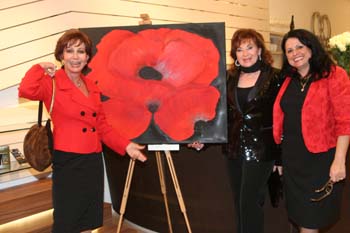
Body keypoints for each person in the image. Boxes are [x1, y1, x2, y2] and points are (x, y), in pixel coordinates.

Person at [18, 29, 147, 233]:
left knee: (88, 220)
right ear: (61, 55)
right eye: (70, 51)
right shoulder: (51, 83)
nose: (75, 57)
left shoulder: (91, 86)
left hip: (93, 160)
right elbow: (26, 90)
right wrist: (40, 67)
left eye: (81, 51)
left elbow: (102, 125)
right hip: (68, 161)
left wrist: (126, 145)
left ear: (87, 57)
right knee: (67, 221)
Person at [189, 28, 281, 233]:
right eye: (240, 49)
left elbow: (284, 118)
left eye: (250, 47)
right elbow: (219, 113)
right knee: (239, 203)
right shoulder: (229, 78)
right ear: (234, 54)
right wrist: (203, 138)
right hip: (233, 148)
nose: (245, 53)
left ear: (259, 49)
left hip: (262, 150)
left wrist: (281, 158)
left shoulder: (275, 77)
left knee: (249, 202)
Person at [273, 29, 350, 233]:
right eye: (289, 50)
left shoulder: (334, 75)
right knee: (300, 218)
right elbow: (283, 121)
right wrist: (280, 159)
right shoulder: (288, 80)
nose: (295, 53)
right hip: (293, 161)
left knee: (310, 220)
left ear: (311, 47)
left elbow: (345, 121)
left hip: (320, 161)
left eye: (299, 46)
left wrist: (339, 160)